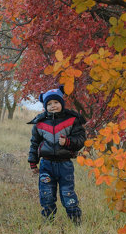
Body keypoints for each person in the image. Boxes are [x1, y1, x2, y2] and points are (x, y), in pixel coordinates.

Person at [28, 87, 86, 224]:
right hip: (46, 165)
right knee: (46, 193)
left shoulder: (72, 120)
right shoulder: (40, 123)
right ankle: (48, 219)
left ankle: (75, 219)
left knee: (68, 193)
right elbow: (34, 143)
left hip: (65, 164)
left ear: (62, 103)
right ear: (45, 106)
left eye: (56, 102)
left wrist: (68, 142)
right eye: (49, 104)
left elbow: (81, 140)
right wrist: (32, 162)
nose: (53, 106)